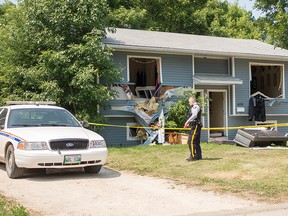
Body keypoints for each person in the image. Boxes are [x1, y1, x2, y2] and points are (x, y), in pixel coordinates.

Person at [183, 96, 202, 161]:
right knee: (196, 142)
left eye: (189, 102)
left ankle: (193, 156)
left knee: (190, 141)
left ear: (192, 101)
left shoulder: (195, 107)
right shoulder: (194, 107)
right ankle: (198, 156)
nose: (189, 103)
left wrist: (187, 122)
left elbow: (194, 115)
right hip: (195, 125)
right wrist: (189, 123)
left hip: (195, 126)